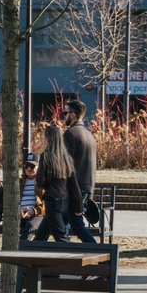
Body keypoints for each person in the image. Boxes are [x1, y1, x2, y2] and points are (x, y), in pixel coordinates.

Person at [34, 125, 82, 243]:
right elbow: (73, 184)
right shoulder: (66, 158)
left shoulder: (46, 156)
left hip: (52, 200)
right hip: (64, 201)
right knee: (41, 235)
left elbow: (40, 181)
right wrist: (79, 205)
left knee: (61, 238)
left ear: (48, 139)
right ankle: (31, 254)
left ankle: (73, 256)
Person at [61, 99, 97, 243]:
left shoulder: (70, 134)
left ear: (73, 115)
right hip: (86, 187)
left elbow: (63, 163)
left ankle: (97, 251)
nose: (63, 116)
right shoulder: (89, 135)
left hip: (74, 187)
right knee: (57, 222)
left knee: (75, 224)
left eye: (65, 113)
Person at [18, 153, 44, 241]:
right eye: (27, 166)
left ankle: (22, 247)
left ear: (38, 167)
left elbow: (47, 203)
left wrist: (34, 211)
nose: (29, 168)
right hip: (20, 213)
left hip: (38, 214)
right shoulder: (20, 182)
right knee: (12, 226)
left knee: (29, 226)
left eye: (32, 166)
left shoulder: (43, 182)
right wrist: (18, 209)